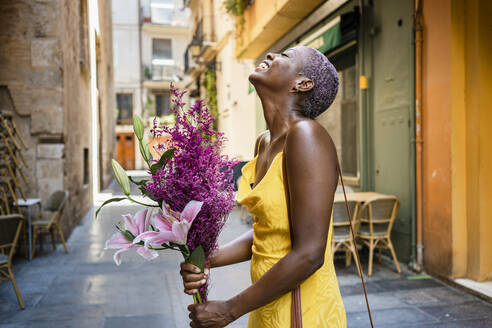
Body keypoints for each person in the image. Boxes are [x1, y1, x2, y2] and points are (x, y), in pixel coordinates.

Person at [180, 46, 347, 327]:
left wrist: (230, 309)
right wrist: (209, 257)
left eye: (286, 55)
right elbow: (268, 234)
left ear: (302, 84)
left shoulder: (307, 136)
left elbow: (309, 254)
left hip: (303, 312)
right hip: (266, 306)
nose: (271, 55)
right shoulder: (264, 142)